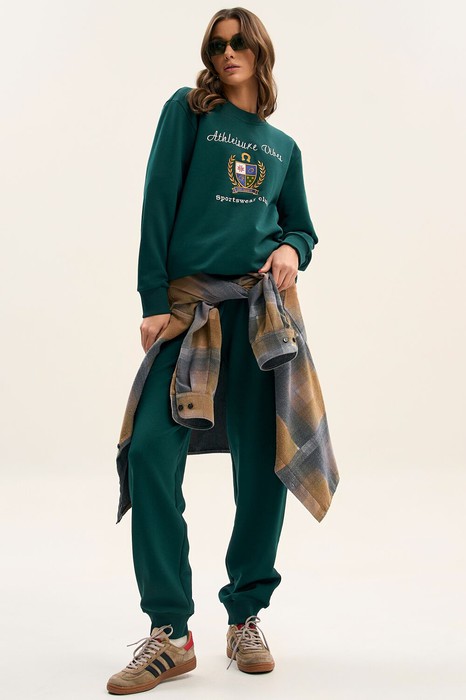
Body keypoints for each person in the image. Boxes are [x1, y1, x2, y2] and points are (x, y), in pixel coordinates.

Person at [107, 6, 319, 695]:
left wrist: (291, 248)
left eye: (239, 43)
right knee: (149, 450)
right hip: (190, 313)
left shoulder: (283, 148)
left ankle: (245, 615)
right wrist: (152, 300)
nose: (227, 53)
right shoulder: (188, 113)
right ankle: (170, 632)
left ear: (260, 54)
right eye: (217, 44)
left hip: (259, 319)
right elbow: (157, 201)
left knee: (263, 466)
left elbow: (302, 228)